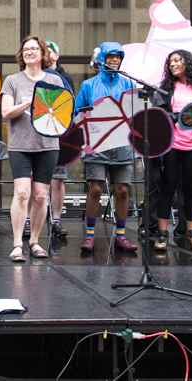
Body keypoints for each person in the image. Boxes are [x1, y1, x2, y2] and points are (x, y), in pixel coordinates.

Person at [0, 35, 66, 262]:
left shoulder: (55, 81)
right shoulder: (12, 81)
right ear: (22, 54)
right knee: (21, 193)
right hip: (20, 144)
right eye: (25, 49)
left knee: (40, 196)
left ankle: (35, 241)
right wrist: (30, 102)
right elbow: (5, 112)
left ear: (42, 54)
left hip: (47, 145)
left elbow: (62, 113)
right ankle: (17, 243)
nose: (29, 52)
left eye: (34, 49)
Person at [151, 50, 192, 253]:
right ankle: (162, 235)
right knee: (167, 190)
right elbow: (159, 115)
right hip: (171, 146)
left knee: (191, 192)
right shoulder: (165, 89)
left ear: (187, 63)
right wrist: (182, 114)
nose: (172, 64)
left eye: (177, 60)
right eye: (170, 61)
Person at [75, 42, 139, 253]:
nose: (114, 60)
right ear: (101, 58)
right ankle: (90, 235)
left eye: (118, 57)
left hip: (123, 143)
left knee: (121, 190)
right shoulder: (88, 85)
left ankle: (121, 236)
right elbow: (77, 114)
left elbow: (135, 114)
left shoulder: (130, 84)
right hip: (97, 143)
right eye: (110, 56)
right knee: (95, 189)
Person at [44, 40, 73, 239]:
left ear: (57, 55)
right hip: (36, 136)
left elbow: (70, 105)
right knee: (32, 180)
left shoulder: (65, 77)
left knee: (57, 180)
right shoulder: (33, 75)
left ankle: (56, 221)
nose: (45, 54)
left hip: (58, 134)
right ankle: (28, 220)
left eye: (49, 51)